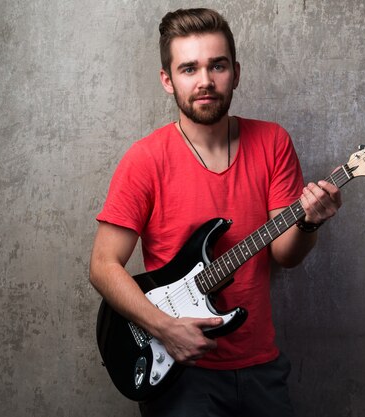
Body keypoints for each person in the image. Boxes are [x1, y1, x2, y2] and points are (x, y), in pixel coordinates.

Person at [89, 8, 342, 417]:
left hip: (261, 364)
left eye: (217, 66)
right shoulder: (145, 159)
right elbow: (103, 266)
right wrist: (165, 329)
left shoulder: (273, 142)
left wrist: (309, 221)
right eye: (189, 68)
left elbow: (285, 255)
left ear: (236, 73)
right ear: (168, 81)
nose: (205, 81)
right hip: (179, 372)